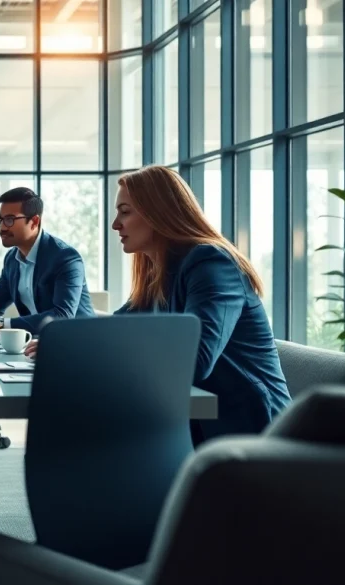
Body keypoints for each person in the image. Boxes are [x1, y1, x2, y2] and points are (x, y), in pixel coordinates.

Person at [46, 164, 288, 446]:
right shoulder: (159, 274)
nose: (115, 224)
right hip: (191, 425)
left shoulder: (211, 264)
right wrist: (64, 345)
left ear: (158, 212)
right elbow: (113, 329)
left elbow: (194, 362)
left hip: (249, 433)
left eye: (125, 212)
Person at [0, 187, 95, 336]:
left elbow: (62, 315)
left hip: (79, 342)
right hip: (36, 343)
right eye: (0, 220)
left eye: (9, 220)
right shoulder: (12, 259)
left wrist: (1, 326)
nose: (2, 227)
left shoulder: (66, 258)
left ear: (34, 222)